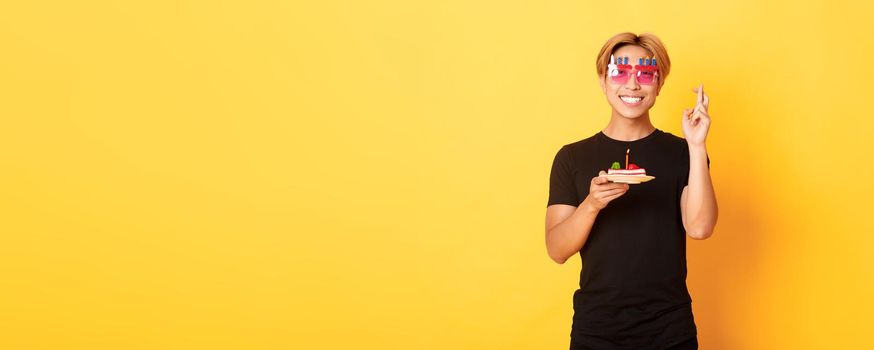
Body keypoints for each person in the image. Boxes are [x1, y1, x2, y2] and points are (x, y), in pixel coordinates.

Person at [544, 32, 718, 350]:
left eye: (646, 74)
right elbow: (556, 250)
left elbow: (700, 227)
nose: (633, 84)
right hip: (595, 330)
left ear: (659, 83)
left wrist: (696, 145)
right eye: (620, 72)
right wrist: (592, 204)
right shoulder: (571, 157)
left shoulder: (682, 152)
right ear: (602, 79)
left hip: (670, 330)